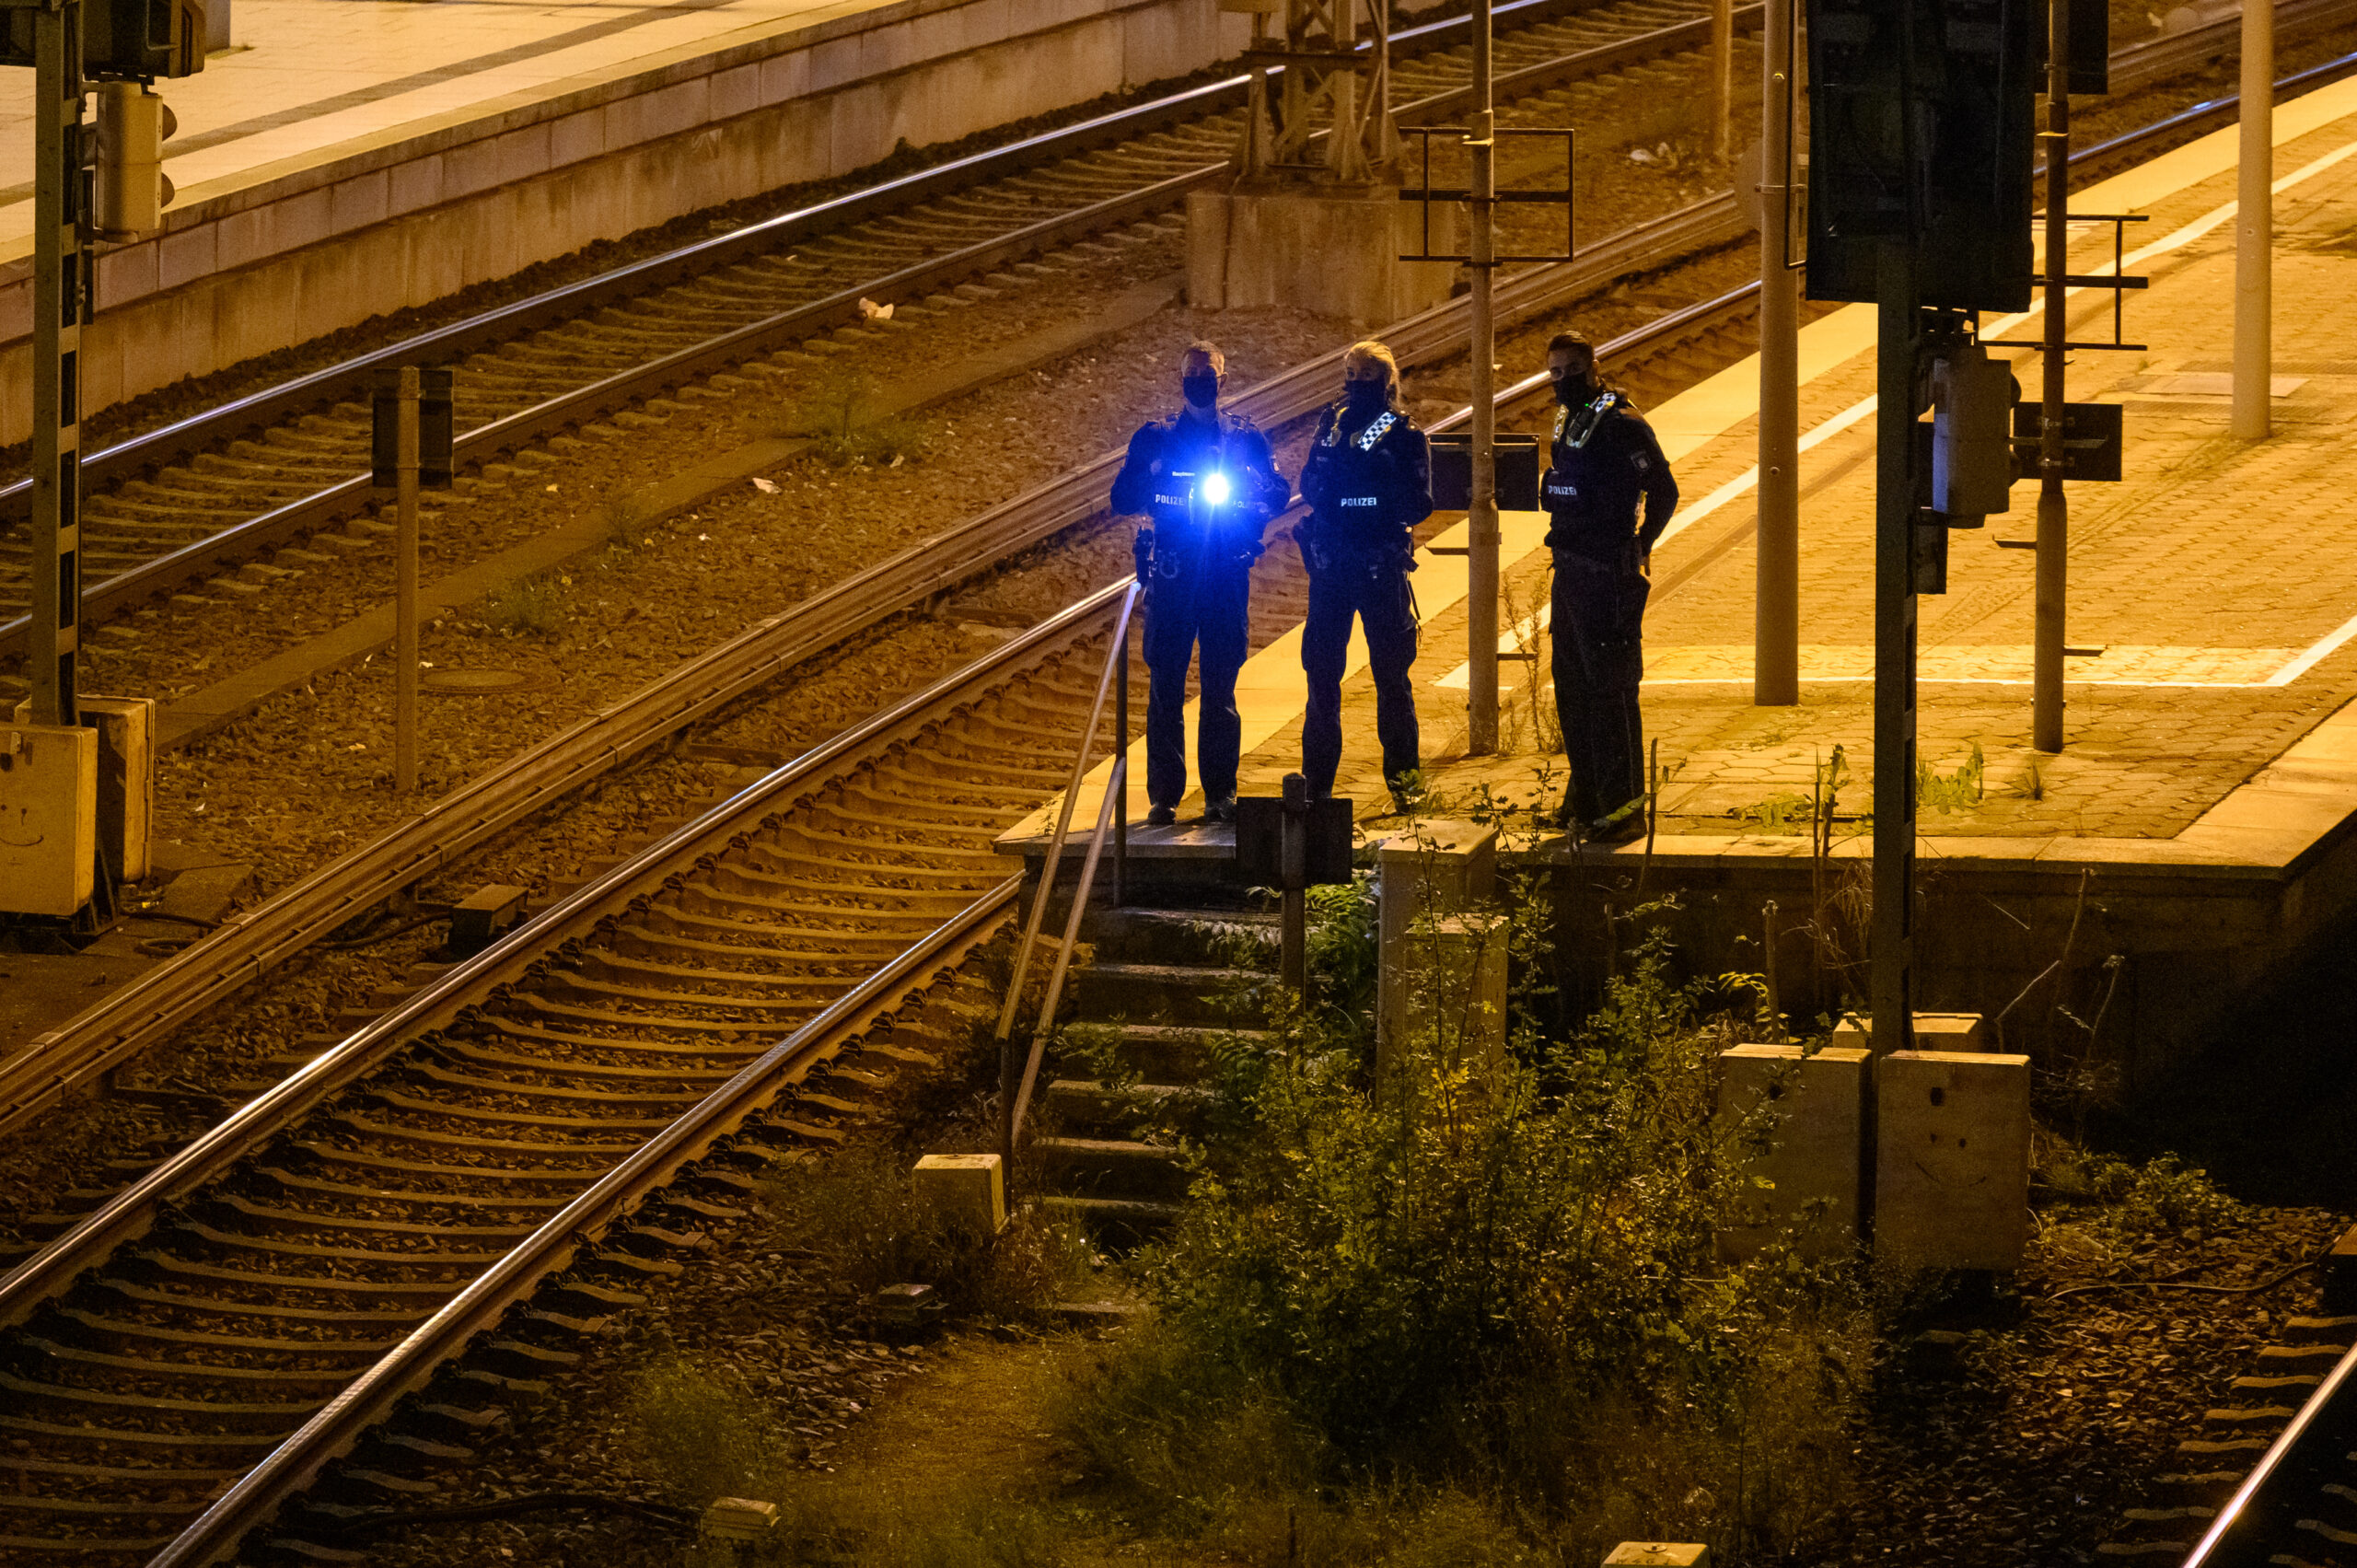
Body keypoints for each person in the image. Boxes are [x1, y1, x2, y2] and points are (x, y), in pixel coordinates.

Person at [1109, 341, 1289, 826]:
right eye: (1193, 374)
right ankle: (1164, 796)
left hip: (1224, 572)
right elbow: (1121, 499)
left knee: (1220, 687)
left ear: (1223, 381)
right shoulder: (1156, 439)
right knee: (1165, 685)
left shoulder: (1246, 439)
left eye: (1208, 374)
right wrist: (1147, 477)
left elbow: (1279, 494)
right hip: (1172, 571)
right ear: (1181, 380)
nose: (1201, 382)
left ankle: (1219, 794)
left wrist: (1254, 483)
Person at [1537, 330, 1678, 842]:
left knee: (1611, 692)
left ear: (1594, 367)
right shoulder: (1569, 420)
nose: (1562, 382)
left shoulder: (1622, 425)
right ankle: (1587, 798)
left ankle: (1622, 812)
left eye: (1571, 371)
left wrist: (1642, 544)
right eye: (1554, 373)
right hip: (1570, 570)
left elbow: (1664, 490)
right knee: (1574, 692)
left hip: (1608, 575)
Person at [1295, 340, 1433, 812]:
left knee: (1392, 680)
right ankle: (1317, 789)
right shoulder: (1330, 428)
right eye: (1348, 373)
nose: (1353, 384)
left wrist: (1381, 485)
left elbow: (1419, 504)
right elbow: (1307, 484)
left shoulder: (1403, 435)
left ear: (1385, 382)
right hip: (1331, 570)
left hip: (1379, 571)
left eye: (1363, 376)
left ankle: (1406, 788)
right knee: (1321, 680)